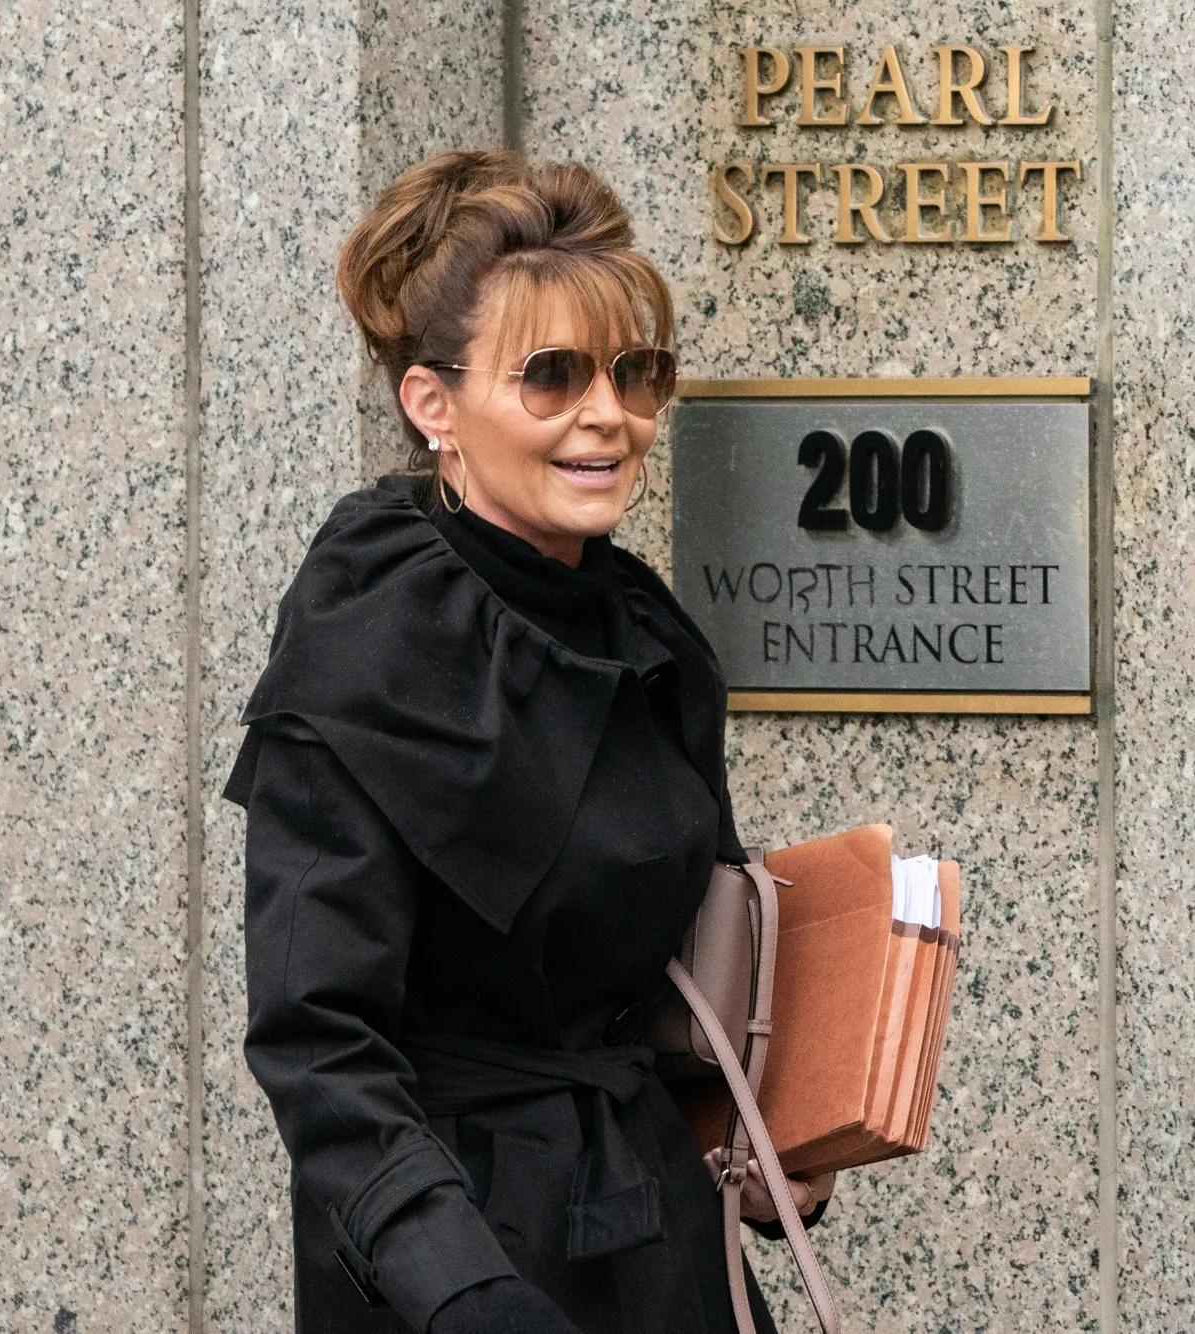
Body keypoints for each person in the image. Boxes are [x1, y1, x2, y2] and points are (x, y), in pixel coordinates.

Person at [223, 150, 834, 1334]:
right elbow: (318, 1046)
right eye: (549, 377)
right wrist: (466, 1291)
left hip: (657, 1238)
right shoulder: (367, 642)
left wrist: (766, 1146)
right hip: (452, 1269)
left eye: (633, 371)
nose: (607, 413)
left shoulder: (647, 631)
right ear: (431, 405)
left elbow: (678, 979)